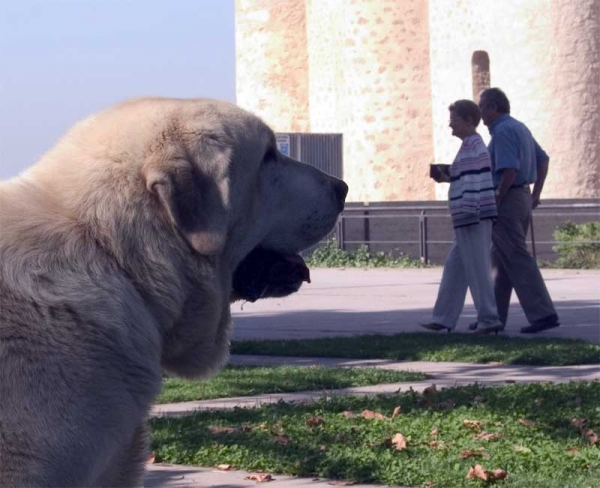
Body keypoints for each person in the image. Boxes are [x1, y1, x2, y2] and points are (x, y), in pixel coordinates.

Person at [478, 87, 560, 334]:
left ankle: (543, 313)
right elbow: (543, 160)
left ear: (493, 107)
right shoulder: (519, 127)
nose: (480, 112)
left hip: (508, 199)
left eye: (482, 106)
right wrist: (535, 194)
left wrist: (496, 198)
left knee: (515, 256)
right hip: (522, 197)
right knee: (501, 260)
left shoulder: (502, 132)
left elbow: (509, 170)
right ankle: (492, 318)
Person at [421, 100, 502, 333]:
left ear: (468, 121)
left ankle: (489, 319)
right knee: (455, 268)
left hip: (472, 218)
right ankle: (443, 318)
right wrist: (446, 173)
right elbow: (468, 176)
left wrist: (468, 212)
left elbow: (476, 182)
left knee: (477, 269)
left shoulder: (475, 146)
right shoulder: (470, 147)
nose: (450, 125)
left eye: (454, 120)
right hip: (469, 218)